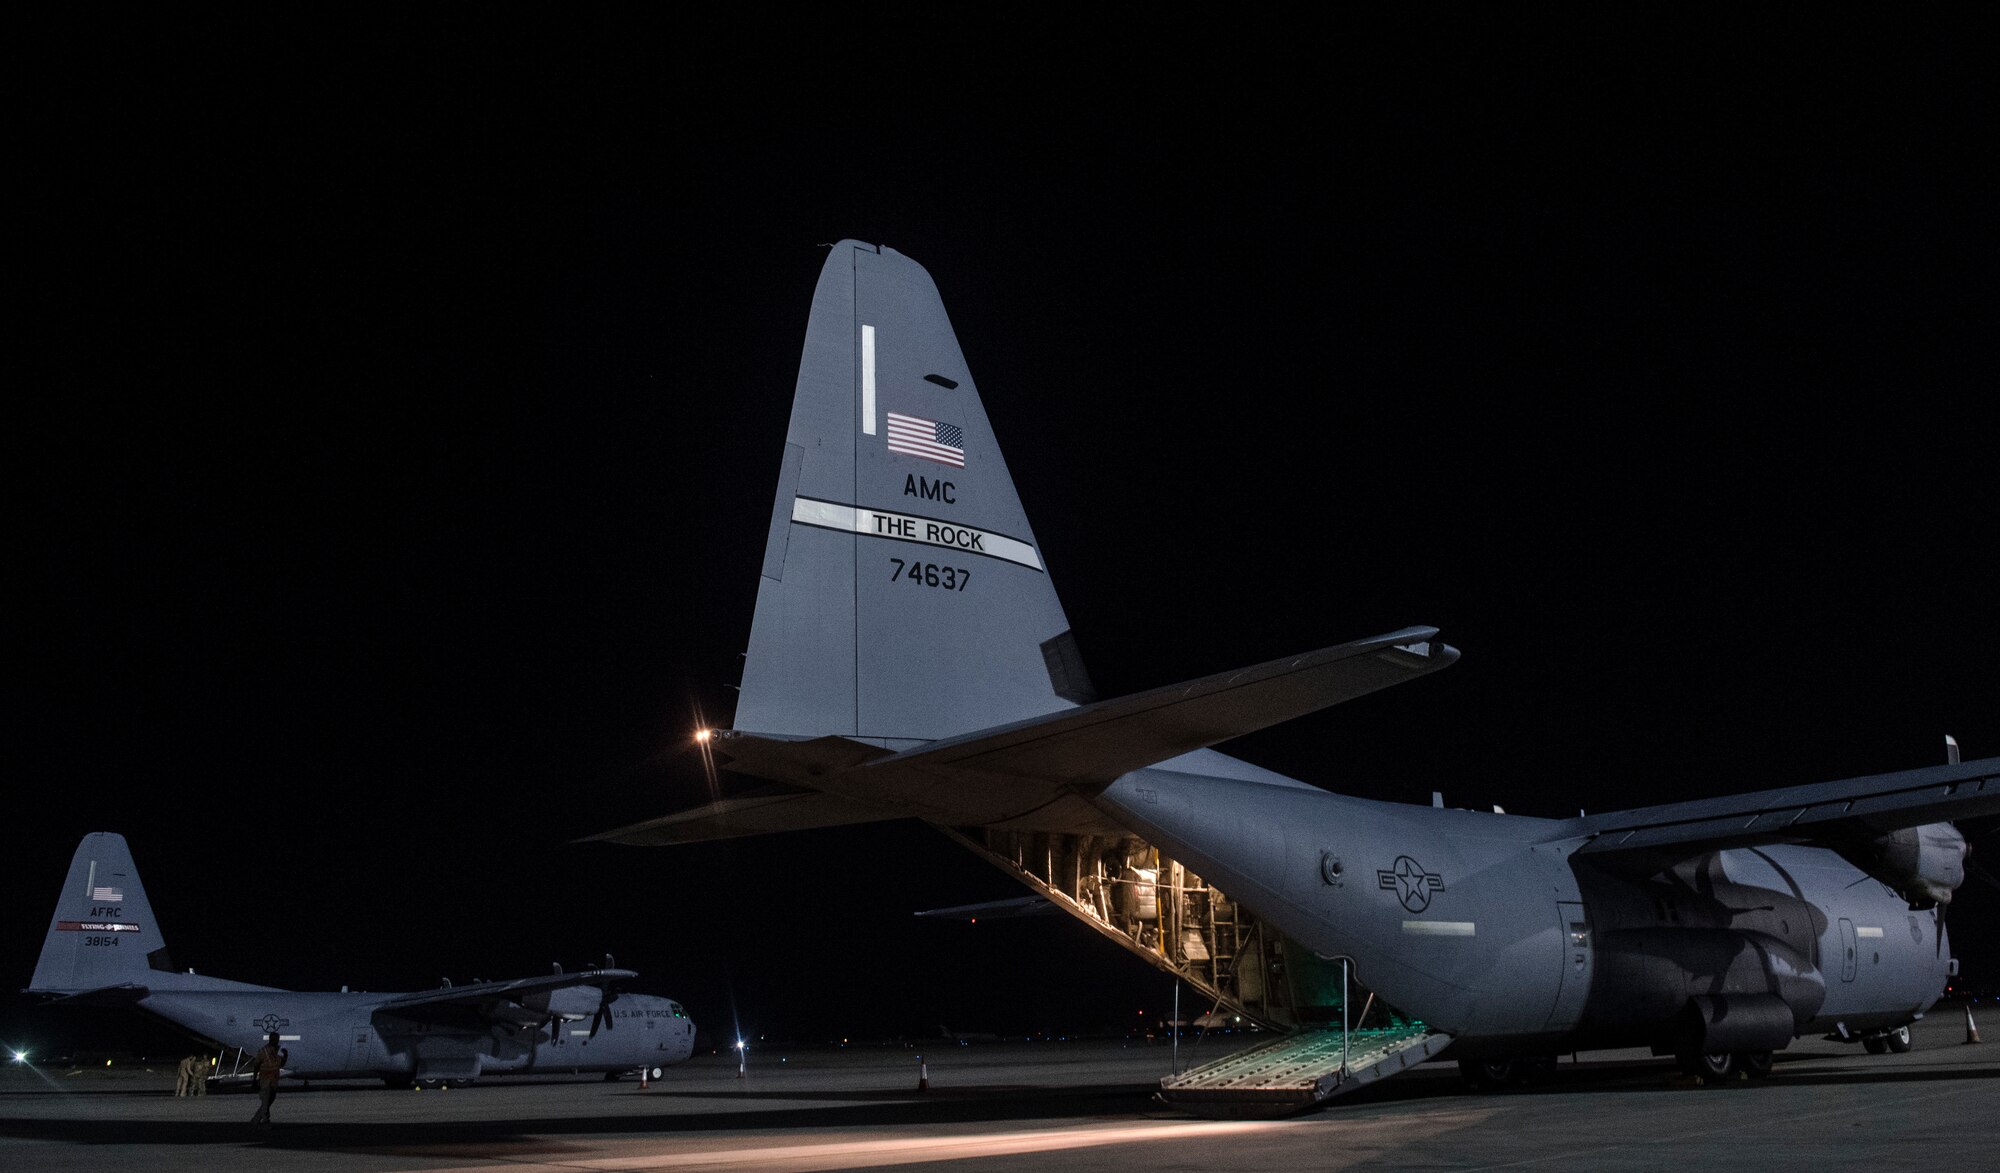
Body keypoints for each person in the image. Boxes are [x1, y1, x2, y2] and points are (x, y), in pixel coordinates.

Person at [247, 1033, 287, 1127]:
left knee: (270, 1099)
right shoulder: (263, 1051)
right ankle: (260, 1119)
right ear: (270, 1039)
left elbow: (281, 1065)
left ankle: (262, 1118)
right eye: (274, 1039)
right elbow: (256, 1065)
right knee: (266, 1100)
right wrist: (254, 1080)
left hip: (274, 1079)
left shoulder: (278, 1050)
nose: (276, 1041)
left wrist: (285, 1056)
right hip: (265, 1079)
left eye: (277, 1039)